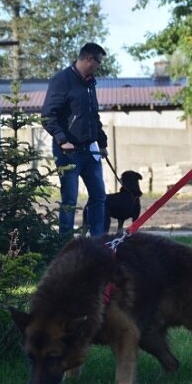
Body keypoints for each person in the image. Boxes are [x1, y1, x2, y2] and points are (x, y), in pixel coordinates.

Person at [41, 42, 108, 237]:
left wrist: (102, 143)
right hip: (68, 153)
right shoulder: (61, 80)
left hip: (90, 150)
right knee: (70, 199)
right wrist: (62, 140)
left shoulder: (90, 83)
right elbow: (47, 115)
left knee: (99, 196)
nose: (99, 67)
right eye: (98, 62)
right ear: (89, 59)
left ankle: (98, 241)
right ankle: (65, 243)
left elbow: (93, 116)